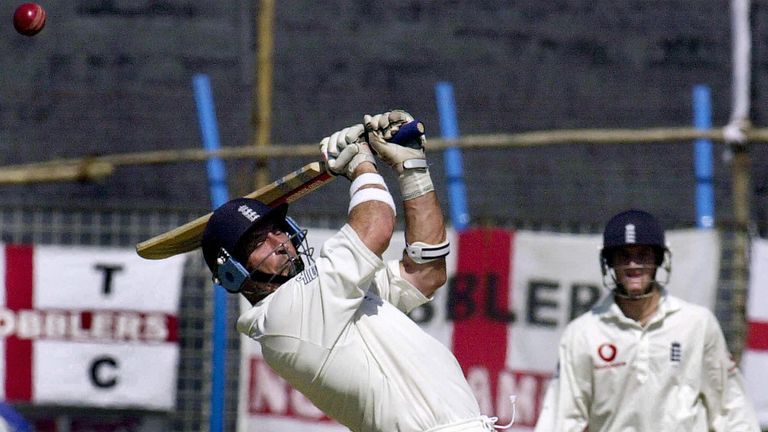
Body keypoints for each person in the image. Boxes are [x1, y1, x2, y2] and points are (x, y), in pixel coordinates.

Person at [200, 110, 507, 432]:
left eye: (277, 229)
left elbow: (425, 273)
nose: (280, 242)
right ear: (233, 272)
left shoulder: (331, 300)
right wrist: (360, 163)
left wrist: (411, 168)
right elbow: (375, 228)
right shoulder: (284, 317)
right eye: (258, 241)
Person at [534, 209, 760, 431]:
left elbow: (730, 407)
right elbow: (560, 416)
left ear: (659, 259)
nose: (633, 266)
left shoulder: (697, 324)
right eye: (624, 256)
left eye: (643, 255)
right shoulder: (583, 334)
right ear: (609, 263)